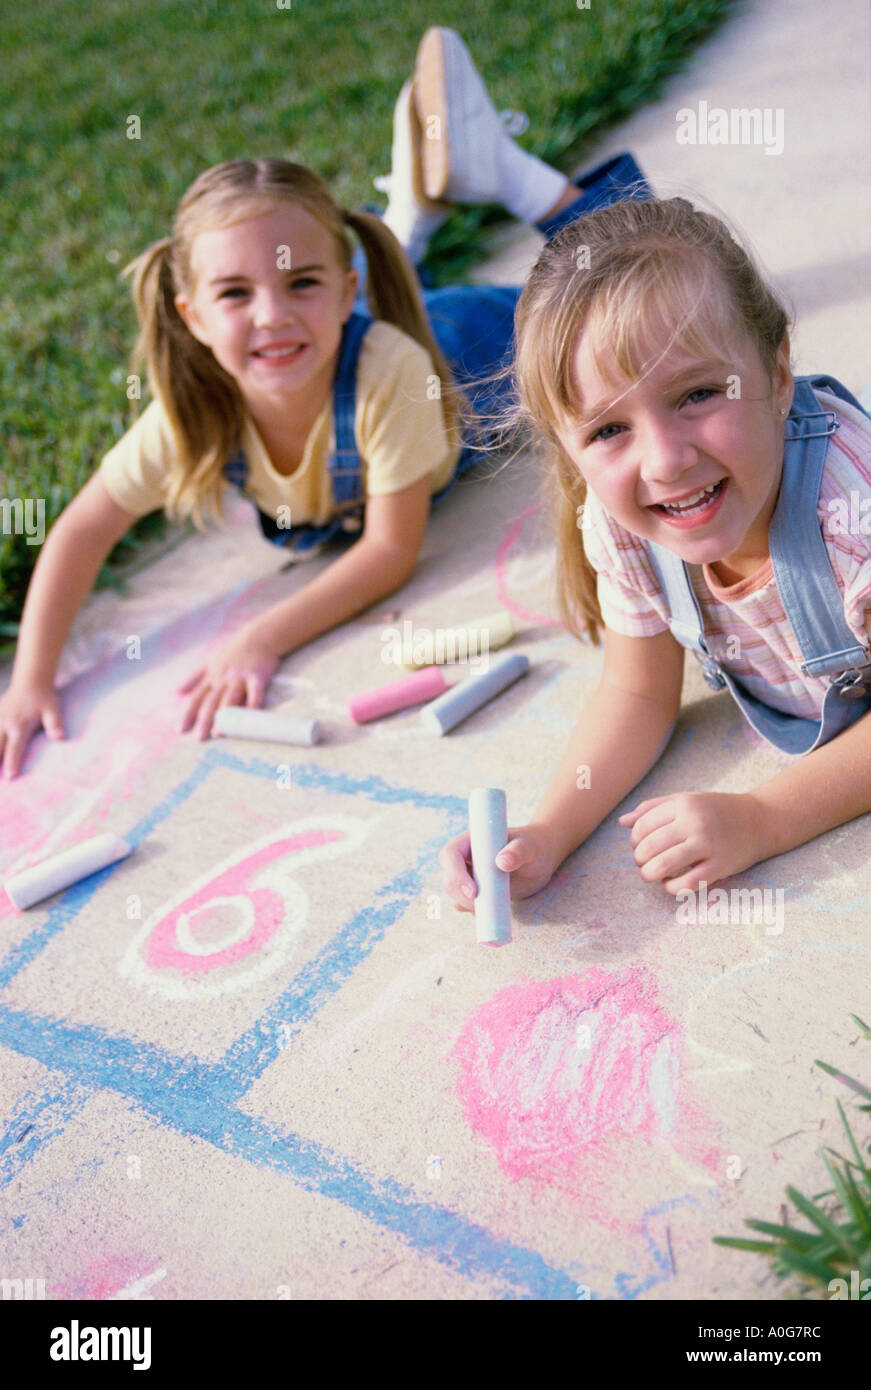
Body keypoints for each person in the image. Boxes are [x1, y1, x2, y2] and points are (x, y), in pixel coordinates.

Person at [0, 26, 648, 779]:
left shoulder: (392, 370)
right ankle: (407, 217)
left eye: (300, 282)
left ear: (345, 291)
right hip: (349, 338)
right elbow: (82, 528)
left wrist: (263, 636)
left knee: (615, 301)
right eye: (234, 294)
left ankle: (509, 174)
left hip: (463, 352)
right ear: (191, 316)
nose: (269, 313)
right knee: (305, 335)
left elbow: (388, 551)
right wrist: (33, 678)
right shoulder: (192, 409)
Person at [440, 186, 871, 906]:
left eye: (697, 393)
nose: (665, 460)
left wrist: (763, 817)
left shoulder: (849, 521)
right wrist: (545, 834)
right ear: (568, 450)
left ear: (775, 373)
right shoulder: (624, 523)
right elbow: (638, 690)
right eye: (609, 431)